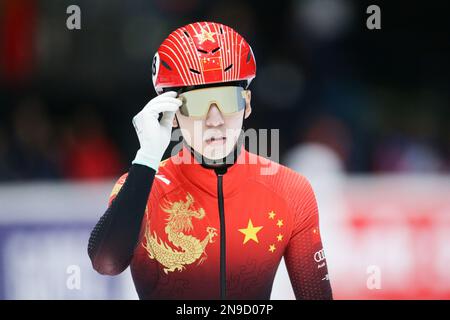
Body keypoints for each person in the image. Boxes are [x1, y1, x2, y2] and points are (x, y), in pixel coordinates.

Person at [88, 21, 332, 300]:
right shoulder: (146, 188)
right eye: (199, 103)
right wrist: (146, 159)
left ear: (247, 103)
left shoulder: (291, 190)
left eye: (227, 100)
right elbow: (106, 262)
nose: (214, 120)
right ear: (174, 112)